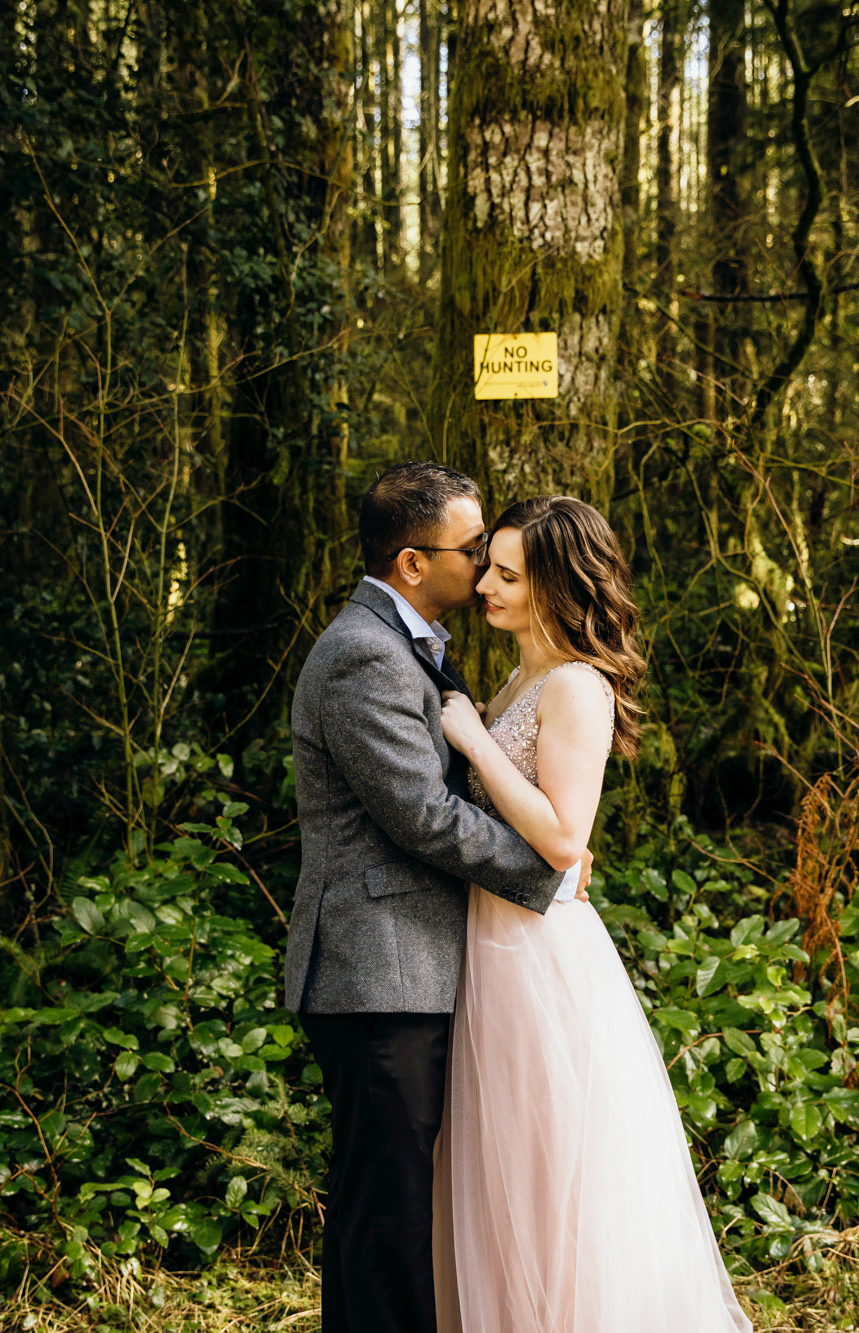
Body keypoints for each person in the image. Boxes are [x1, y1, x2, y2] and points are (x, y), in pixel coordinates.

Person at [433, 495, 751, 1333]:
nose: (486, 585)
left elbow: (565, 838)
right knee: (504, 1165)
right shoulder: (519, 674)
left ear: (556, 585)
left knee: (551, 1166)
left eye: (508, 574)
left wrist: (469, 741)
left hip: (536, 954)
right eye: (489, 567)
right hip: (493, 937)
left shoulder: (576, 685)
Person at [286, 463, 588, 1333]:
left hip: (405, 966)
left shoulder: (404, 645)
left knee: (383, 1208)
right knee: (389, 1218)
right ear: (414, 563)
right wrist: (550, 872)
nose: (487, 565)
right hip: (377, 969)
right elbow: (422, 815)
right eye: (472, 551)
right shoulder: (362, 655)